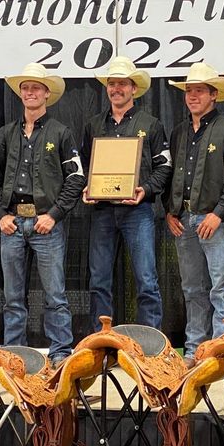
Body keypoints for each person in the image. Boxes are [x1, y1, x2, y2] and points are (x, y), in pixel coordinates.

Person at [0, 62, 84, 366]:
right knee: (13, 297)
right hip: (12, 223)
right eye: (25, 88)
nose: (30, 92)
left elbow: (76, 178)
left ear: (46, 93)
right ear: (20, 93)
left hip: (46, 224)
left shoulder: (61, 133)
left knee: (55, 295)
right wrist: (0, 214)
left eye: (35, 88)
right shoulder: (5, 134)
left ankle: (61, 352)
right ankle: (16, 353)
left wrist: (54, 214)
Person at [165, 62, 224, 368]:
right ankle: (194, 349)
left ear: (214, 94)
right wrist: (169, 211)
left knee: (220, 284)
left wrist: (218, 213)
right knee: (191, 288)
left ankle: (222, 351)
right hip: (184, 220)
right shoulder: (179, 132)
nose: (193, 96)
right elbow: (170, 174)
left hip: (214, 222)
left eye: (199, 90)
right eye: (189, 90)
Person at [81, 56, 172, 330]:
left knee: (146, 279)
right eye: (112, 83)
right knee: (99, 280)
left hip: (138, 211)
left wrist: (146, 190)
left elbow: (165, 166)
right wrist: (88, 186)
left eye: (122, 83)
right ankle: (102, 340)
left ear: (134, 88)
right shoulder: (93, 125)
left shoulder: (151, 124)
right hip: (103, 211)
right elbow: (85, 165)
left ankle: (149, 343)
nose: (116, 88)